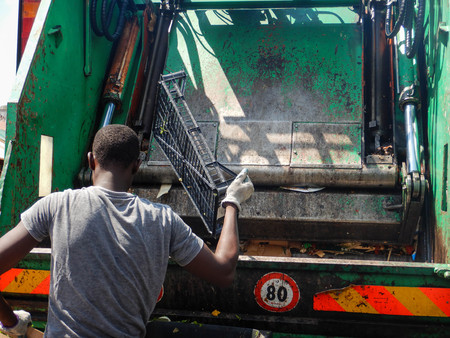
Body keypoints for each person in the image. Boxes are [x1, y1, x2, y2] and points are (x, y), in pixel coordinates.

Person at [0, 124, 254, 337]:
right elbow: (223, 272)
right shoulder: (164, 220)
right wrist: (231, 202)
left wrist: (11, 322)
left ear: (90, 160)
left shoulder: (56, 206)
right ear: (137, 165)